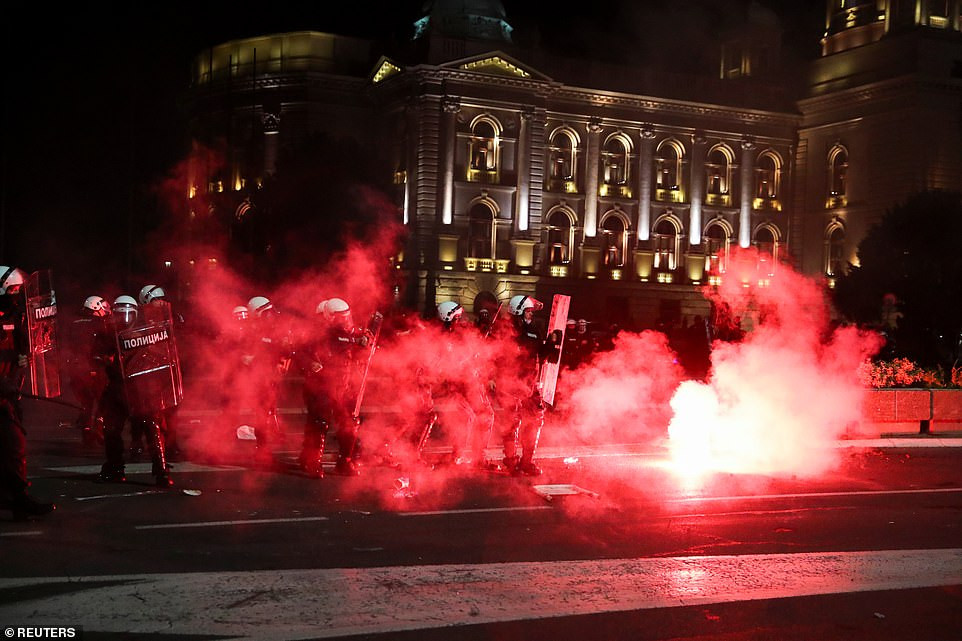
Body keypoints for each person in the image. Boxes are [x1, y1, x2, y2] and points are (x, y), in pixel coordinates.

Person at [96, 295, 174, 487]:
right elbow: (96, 355)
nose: (123, 319)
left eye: (127, 314)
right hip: (119, 388)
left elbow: (163, 355)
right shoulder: (107, 333)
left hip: (142, 388)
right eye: (119, 314)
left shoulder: (145, 333)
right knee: (112, 429)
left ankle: (161, 471)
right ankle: (116, 469)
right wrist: (106, 359)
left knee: (152, 428)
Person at [0, 267, 55, 519]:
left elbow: (22, 350)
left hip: (7, 394)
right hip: (2, 392)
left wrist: (24, 359)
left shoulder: (15, 315)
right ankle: (17, 499)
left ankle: (15, 498)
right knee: (13, 443)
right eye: (13, 290)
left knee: (12, 445)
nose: (16, 295)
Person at [501, 294, 560, 476]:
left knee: (535, 420)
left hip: (530, 381)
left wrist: (551, 344)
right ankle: (511, 461)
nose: (531, 315)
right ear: (519, 311)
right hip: (511, 383)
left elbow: (540, 355)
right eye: (528, 311)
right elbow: (500, 356)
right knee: (512, 421)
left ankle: (527, 461)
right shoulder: (507, 331)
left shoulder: (534, 329)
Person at [243, 295, 292, 469]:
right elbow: (247, 357)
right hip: (260, 379)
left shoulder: (271, 330)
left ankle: (264, 450)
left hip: (270, 376)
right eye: (267, 313)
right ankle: (262, 452)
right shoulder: (253, 332)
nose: (272, 316)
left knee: (267, 412)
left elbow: (285, 352)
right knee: (262, 415)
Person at [65, 296, 111, 446]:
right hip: (93, 367)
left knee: (87, 401)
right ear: (94, 307)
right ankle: (97, 427)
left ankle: (87, 430)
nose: (105, 311)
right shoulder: (98, 323)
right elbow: (103, 345)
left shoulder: (74, 322)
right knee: (104, 399)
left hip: (75, 369)